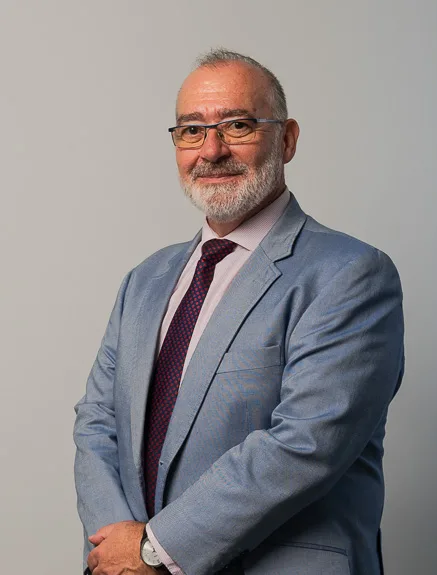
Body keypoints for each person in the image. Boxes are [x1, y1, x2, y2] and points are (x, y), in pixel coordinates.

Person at [74, 48, 404, 575]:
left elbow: (306, 444)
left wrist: (152, 550)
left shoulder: (351, 274)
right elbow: (97, 423)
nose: (212, 150)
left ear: (287, 139)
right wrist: (117, 551)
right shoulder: (145, 279)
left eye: (238, 125)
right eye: (191, 130)